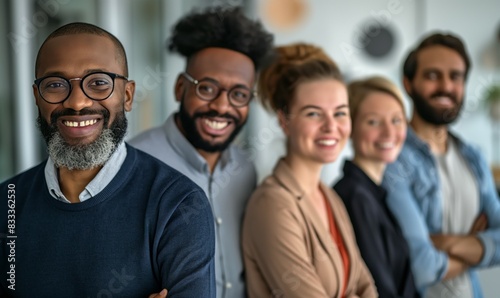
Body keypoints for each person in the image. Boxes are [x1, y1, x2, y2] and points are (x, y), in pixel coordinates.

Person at [0, 22, 215, 297]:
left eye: (99, 82)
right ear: (36, 98)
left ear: (127, 95)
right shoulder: (7, 202)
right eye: (55, 84)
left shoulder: (178, 206)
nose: (77, 102)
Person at [129, 6, 273, 298]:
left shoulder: (246, 168)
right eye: (207, 88)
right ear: (180, 88)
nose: (222, 106)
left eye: (239, 94)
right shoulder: (133, 165)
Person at [241, 43, 378, 297]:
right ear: (284, 120)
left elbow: (365, 285)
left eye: (340, 113)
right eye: (314, 114)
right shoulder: (272, 204)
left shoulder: (330, 197)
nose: (330, 127)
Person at [383, 32, 500, 297]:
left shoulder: (474, 157)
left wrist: (443, 242)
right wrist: (475, 245)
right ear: (408, 84)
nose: (446, 86)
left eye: (455, 76)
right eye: (432, 76)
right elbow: (420, 267)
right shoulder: (394, 160)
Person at [334, 76, 419, 297]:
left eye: (397, 120)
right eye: (373, 122)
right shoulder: (354, 197)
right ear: (350, 127)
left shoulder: (375, 193)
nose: (389, 133)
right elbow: (379, 289)